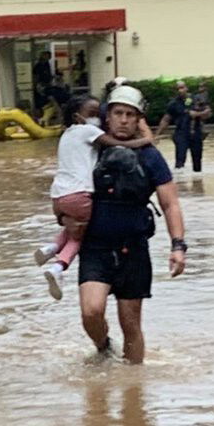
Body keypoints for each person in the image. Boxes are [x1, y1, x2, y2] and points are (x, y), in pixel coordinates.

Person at [78, 85, 187, 364]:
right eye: (118, 113)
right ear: (107, 116)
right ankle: (103, 348)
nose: (124, 120)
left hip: (134, 250)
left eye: (130, 114)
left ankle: (134, 394)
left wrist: (178, 246)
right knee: (91, 311)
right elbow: (66, 186)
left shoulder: (150, 156)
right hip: (95, 247)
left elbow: (170, 203)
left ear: (138, 118)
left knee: (131, 324)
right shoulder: (89, 149)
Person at [35, 94, 153, 300]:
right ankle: (59, 265)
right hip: (79, 193)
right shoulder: (88, 131)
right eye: (93, 114)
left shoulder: (66, 135)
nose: (98, 118)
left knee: (72, 227)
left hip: (58, 195)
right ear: (78, 117)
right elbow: (118, 144)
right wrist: (146, 139)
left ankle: (51, 247)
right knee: (82, 232)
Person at [155, 81, 211, 173]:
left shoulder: (196, 100)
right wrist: (156, 135)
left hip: (196, 133)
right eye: (178, 89)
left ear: (186, 88)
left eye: (182, 88)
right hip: (181, 134)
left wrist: (198, 114)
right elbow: (166, 120)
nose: (180, 90)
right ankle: (179, 184)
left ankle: (198, 184)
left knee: (197, 163)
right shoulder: (173, 104)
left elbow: (208, 113)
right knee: (180, 162)